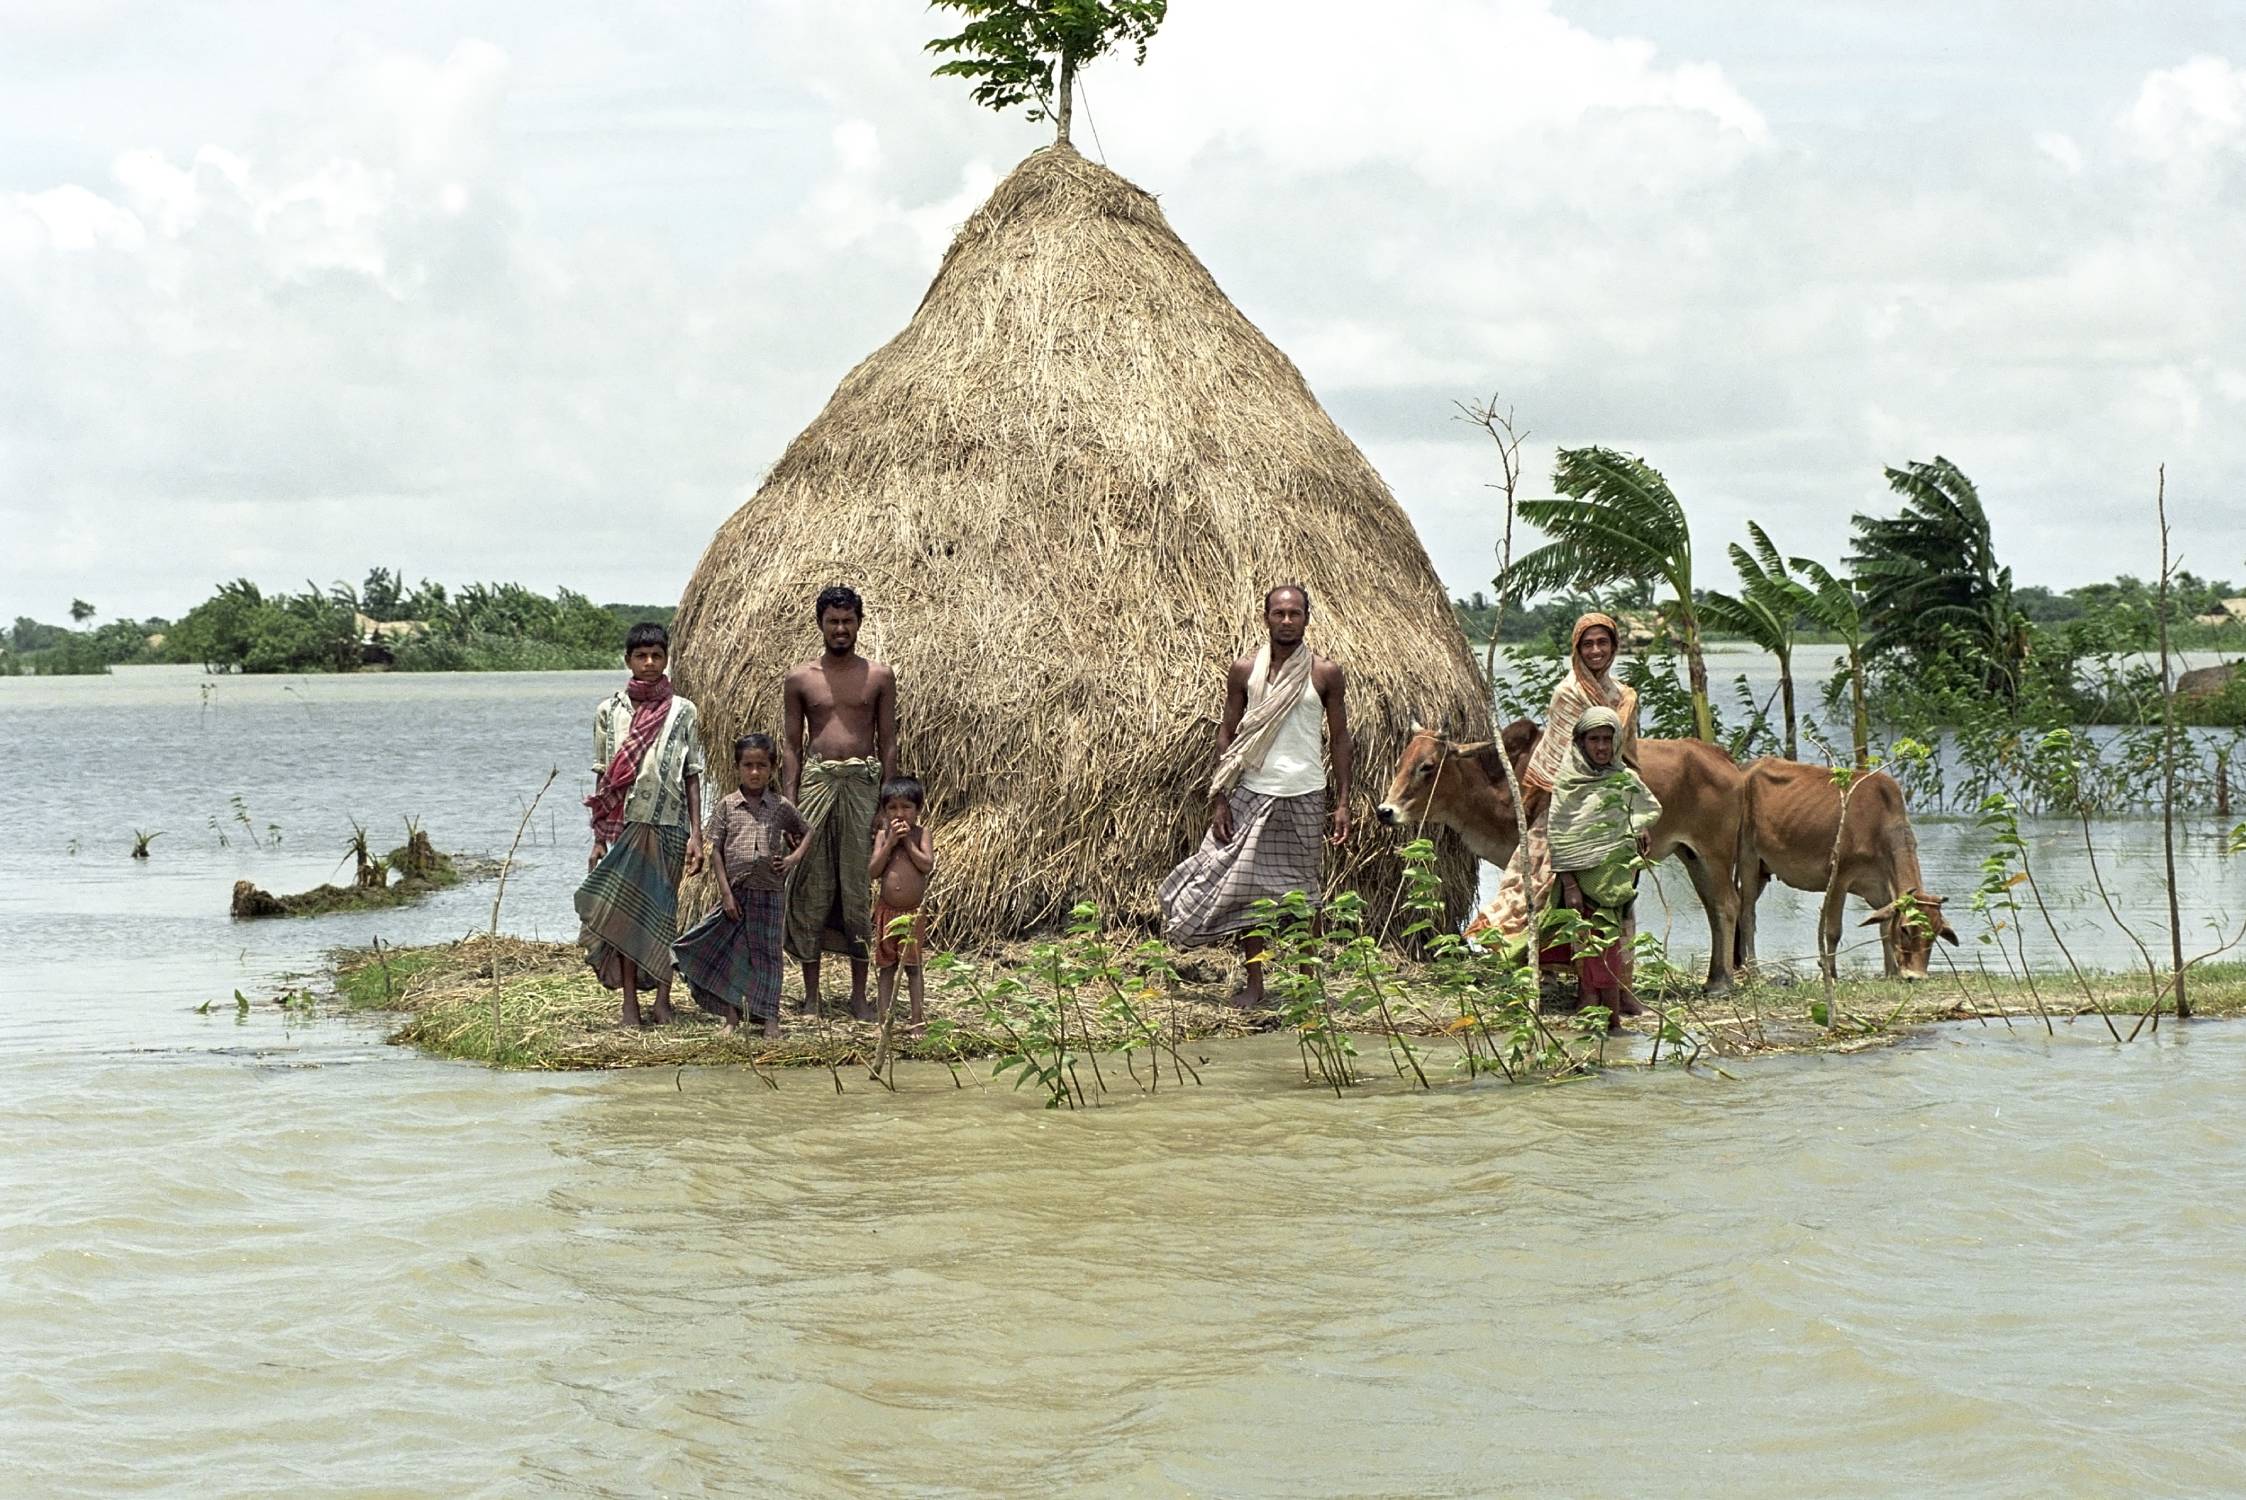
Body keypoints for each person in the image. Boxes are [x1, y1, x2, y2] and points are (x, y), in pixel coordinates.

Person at [1158, 584, 1351, 1008]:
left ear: (1306, 618)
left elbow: (1339, 739)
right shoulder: (1244, 670)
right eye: (1279, 613)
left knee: (1306, 895)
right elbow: (1227, 735)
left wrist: (1341, 803)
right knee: (1247, 891)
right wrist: (1221, 797)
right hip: (1250, 791)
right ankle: (1255, 984)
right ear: (1265, 617)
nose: (1287, 620)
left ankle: (1308, 985)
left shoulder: (1325, 673)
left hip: (1305, 793)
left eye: (1294, 613)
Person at [1470, 612, 1639, 947]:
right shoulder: (1568, 693)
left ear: (1614, 646)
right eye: (1587, 643)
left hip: (1612, 806)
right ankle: (1537, 969)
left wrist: (1634, 809)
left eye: (1602, 642)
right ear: (1577, 649)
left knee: (1615, 893)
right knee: (1540, 887)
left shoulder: (1625, 696)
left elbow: (1630, 756)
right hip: (1568, 806)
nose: (1595, 650)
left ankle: (1615, 983)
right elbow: (1562, 757)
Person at [577, 621, 705, 1027]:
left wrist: (697, 836)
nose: (650, 663)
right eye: (641, 656)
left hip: (670, 825)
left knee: (663, 913)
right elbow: (603, 777)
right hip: (624, 827)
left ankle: (662, 1000)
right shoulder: (609, 711)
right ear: (628, 660)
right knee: (626, 917)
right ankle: (629, 1003)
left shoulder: (684, 711)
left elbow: (692, 774)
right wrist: (598, 837)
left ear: (667, 658)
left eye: (657, 656)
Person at [781, 584, 897, 1022]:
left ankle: (858, 996)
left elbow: (888, 743)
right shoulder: (800, 679)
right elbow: (792, 746)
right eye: (833, 621)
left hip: (862, 786)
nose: (841, 628)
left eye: (848, 621)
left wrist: (885, 806)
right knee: (811, 885)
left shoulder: (879, 676)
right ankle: (811, 996)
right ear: (821, 624)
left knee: (855, 887)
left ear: (859, 623)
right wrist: (790, 806)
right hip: (816, 785)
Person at [672, 735, 809, 1038]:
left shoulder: (780, 806)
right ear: (738, 768)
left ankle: (770, 1019)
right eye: (748, 765)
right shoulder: (727, 805)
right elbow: (716, 850)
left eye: (762, 765)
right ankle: (731, 1018)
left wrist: (793, 858)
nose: (755, 772)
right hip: (736, 893)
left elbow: (806, 830)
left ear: (772, 769)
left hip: (771, 891)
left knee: (769, 956)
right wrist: (725, 894)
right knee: (735, 955)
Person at [1545, 706, 1662, 1028]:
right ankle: (1587, 997)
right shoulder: (1567, 784)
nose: (1601, 747)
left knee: (1615, 941)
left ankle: (1614, 1012)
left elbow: (1645, 809)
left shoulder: (1624, 779)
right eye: (1594, 739)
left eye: (1607, 740)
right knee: (1585, 938)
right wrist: (1569, 884)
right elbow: (1559, 832)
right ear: (1580, 742)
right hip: (1581, 881)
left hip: (1616, 882)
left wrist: (1637, 825)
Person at [867, 775, 935, 1033]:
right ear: (884, 812)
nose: (900, 814)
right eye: (893, 808)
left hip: (912, 914)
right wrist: (891, 843)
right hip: (887, 912)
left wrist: (906, 842)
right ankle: (884, 1021)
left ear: (918, 810)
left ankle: (917, 1020)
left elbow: (926, 865)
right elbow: (873, 871)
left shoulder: (921, 834)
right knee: (886, 967)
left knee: (913, 967)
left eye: (907, 807)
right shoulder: (883, 836)